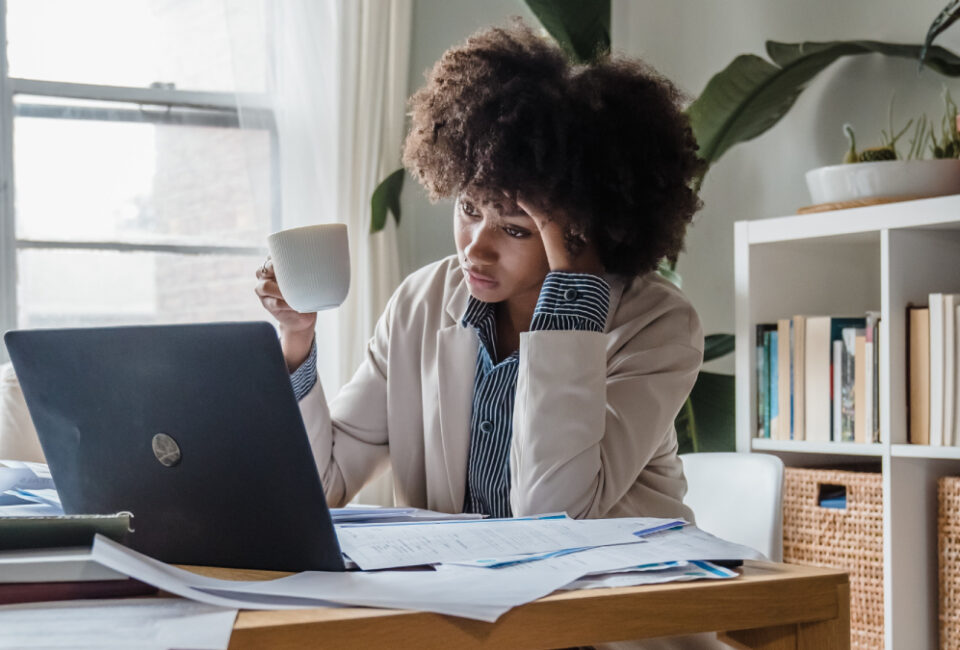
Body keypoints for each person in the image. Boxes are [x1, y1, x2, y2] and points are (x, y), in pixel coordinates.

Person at [255, 19, 705, 524]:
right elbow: (321, 486)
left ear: (582, 231)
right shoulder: (420, 302)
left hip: (616, 592)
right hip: (463, 592)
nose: (476, 249)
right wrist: (296, 341)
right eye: (469, 210)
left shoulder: (657, 325)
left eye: (515, 230)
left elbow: (555, 516)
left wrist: (570, 302)